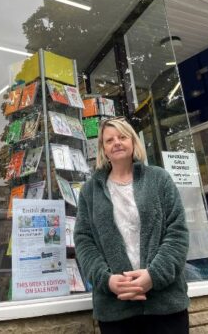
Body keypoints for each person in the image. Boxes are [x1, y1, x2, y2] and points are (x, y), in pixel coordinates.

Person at [74, 117, 190, 334]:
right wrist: (107, 281)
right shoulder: (89, 191)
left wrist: (153, 276)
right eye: (109, 140)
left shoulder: (159, 179)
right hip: (115, 310)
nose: (116, 142)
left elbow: (177, 233)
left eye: (122, 137)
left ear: (133, 142)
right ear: (103, 150)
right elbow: (83, 241)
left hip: (165, 306)